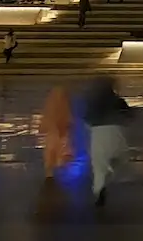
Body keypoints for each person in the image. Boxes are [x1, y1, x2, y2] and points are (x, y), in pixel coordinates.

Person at [82, 77, 130, 206]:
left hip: (98, 135)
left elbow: (86, 119)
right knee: (120, 159)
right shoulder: (118, 101)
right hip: (116, 133)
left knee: (98, 167)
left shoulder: (93, 102)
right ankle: (111, 175)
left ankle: (99, 188)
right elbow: (128, 116)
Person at [40, 85, 73, 179]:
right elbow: (67, 118)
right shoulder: (64, 103)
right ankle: (52, 168)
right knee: (56, 148)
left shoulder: (51, 103)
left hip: (53, 131)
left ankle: (49, 171)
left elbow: (46, 116)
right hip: (58, 130)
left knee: (51, 149)